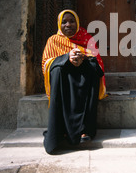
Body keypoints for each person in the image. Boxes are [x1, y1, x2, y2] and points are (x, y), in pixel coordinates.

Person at [42, 9, 106, 154]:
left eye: (72, 21)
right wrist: (66, 58)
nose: (68, 24)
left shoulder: (86, 38)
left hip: (83, 83)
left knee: (91, 69)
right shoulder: (53, 41)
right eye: (64, 22)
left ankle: (84, 129)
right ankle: (60, 130)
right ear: (59, 24)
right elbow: (46, 64)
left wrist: (83, 59)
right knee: (56, 69)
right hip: (64, 84)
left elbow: (98, 63)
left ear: (77, 23)